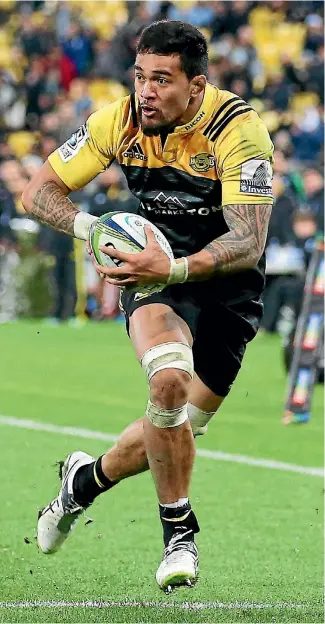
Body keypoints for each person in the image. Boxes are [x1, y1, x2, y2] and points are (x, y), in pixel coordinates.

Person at [22, 21, 273, 592]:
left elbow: (248, 241)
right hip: (151, 273)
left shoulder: (241, 132)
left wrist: (179, 266)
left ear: (197, 85)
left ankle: (82, 483)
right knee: (167, 384)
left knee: (179, 423)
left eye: (161, 79)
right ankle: (179, 534)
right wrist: (98, 228)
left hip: (227, 283)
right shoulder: (118, 120)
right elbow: (37, 193)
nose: (145, 91)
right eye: (139, 76)